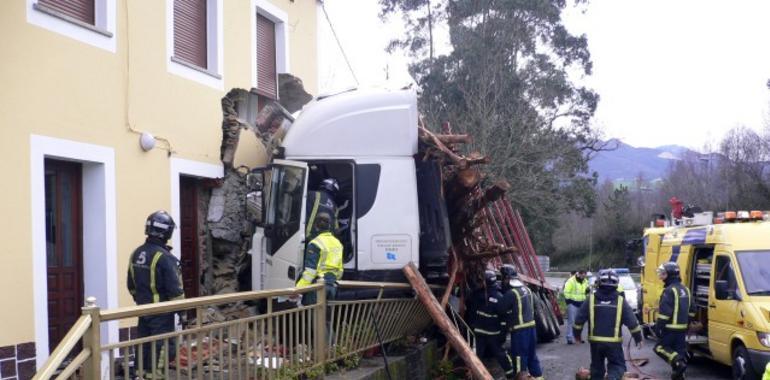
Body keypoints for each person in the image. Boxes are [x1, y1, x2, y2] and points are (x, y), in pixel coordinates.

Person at [127, 211, 185, 378]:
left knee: (143, 344)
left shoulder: (136, 253)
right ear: (166, 232)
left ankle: (140, 375)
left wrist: (141, 301)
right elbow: (176, 291)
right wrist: (183, 312)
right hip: (161, 312)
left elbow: (131, 285)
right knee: (162, 347)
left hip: (143, 310)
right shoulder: (165, 258)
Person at [573, 269, 643, 380]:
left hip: (595, 342)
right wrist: (638, 338)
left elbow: (579, 320)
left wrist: (577, 336)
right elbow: (632, 322)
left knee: (597, 367)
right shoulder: (620, 301)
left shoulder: (590, 299)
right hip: (613, 343)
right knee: (617, 366)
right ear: (616, 284)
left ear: (598, 283)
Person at [466, 270, 515, 379]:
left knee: (477, 356)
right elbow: (504, 318)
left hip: (480, 332)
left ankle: (474, 375)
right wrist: (502, 333)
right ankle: (510, 374)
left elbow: (471, 311)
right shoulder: (499, 297)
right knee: (500, 354)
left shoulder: (477, 295)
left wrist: (473, 325)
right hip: (493, 333)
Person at [499, 265, 543, 379]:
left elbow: (500, 309)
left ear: (507, 278)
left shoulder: (511, 293)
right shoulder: (527, 290)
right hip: (532, 329)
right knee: (532, 357)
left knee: (519, 358)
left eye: (503, 279)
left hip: (520, 331)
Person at [653, 262, 693, 380]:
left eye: (663, 273)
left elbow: (665, 314)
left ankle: (679, 364)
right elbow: (693, 310)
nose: (661, 275)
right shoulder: (686, 290)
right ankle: (679, 374)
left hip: (669, 329)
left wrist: (658, 328)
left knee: (659, 348)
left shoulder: (669, 291)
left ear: (669, 275)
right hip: (682, 330)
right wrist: (686, 323)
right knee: (679, 352)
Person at [297, 212, 343, 305]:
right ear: (329, 226)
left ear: (315, 226)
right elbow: (340, 270)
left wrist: (298, 289)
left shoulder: (315, 243)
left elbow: (310, 272)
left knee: (313, 317)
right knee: (326, 316)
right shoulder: (337, 243)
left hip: (318, 287)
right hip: (332, 286)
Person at [563, 269, 589, 344]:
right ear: (579, 274)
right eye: (582, 275)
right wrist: (569, 302)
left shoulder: (585, 281)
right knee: (571, 321)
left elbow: (585, 291)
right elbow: (566, 292)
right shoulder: (571, 281)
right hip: (572, 304)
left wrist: (587, 291)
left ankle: (578, 338)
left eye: (585, 276)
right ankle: (569, 338)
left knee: (580, 323)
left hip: (582, 304)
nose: (583, 277)